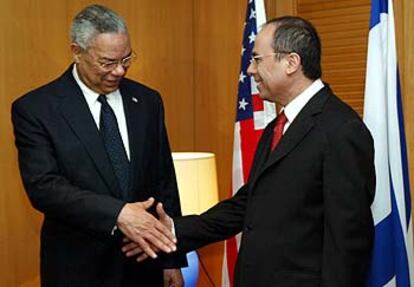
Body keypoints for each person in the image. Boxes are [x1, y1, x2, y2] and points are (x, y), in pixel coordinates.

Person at [127, 16, 376, 287]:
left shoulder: (341, 130)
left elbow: (348, 242)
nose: (250, 70)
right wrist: (174, 229)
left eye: (257, 59)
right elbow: (248, 205)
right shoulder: (277, 128)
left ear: (291, 63)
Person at [11, 4, 186, 287]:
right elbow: (44, 187)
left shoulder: (148, 101)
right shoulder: (37, 109)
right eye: (107, 62)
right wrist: (118, 213)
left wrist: (172, 259)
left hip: (144, 264)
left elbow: (164, 181)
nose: (119, 71)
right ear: (76, 51)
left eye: (126, 59)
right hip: (77, 269)